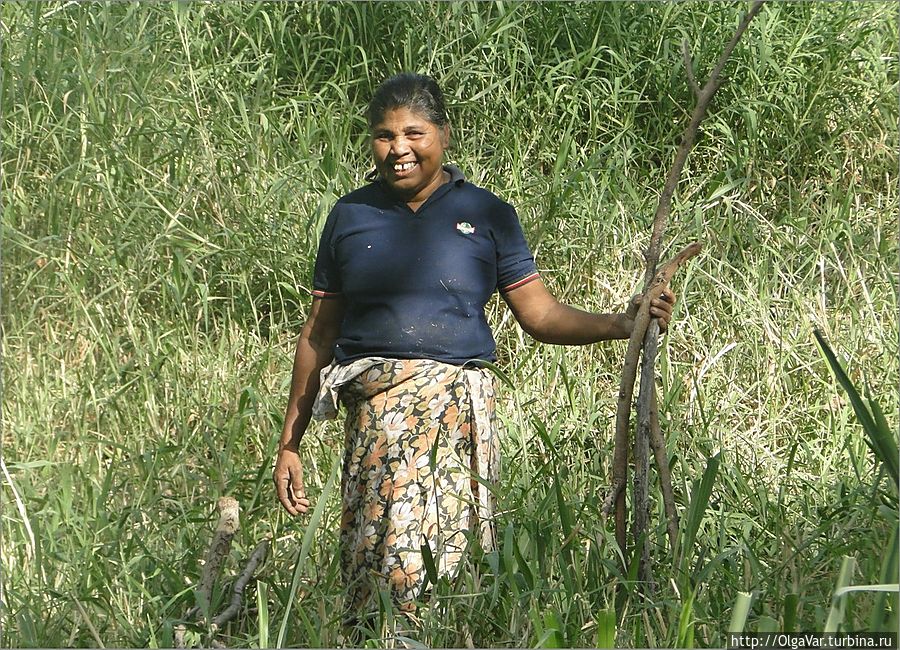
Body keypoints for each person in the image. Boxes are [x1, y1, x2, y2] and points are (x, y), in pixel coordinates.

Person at [273, 72, 675, 625]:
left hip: (457, 414)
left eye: (414, 133)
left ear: (444, 134)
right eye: (384, 136)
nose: (399, 150)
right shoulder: (350, 216)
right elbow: (318, 334)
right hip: (375, 422)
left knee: (447, 564)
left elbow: (540, 315)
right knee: (377, 559)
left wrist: (619, 324)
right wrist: (290, 442)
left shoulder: (487, 215)